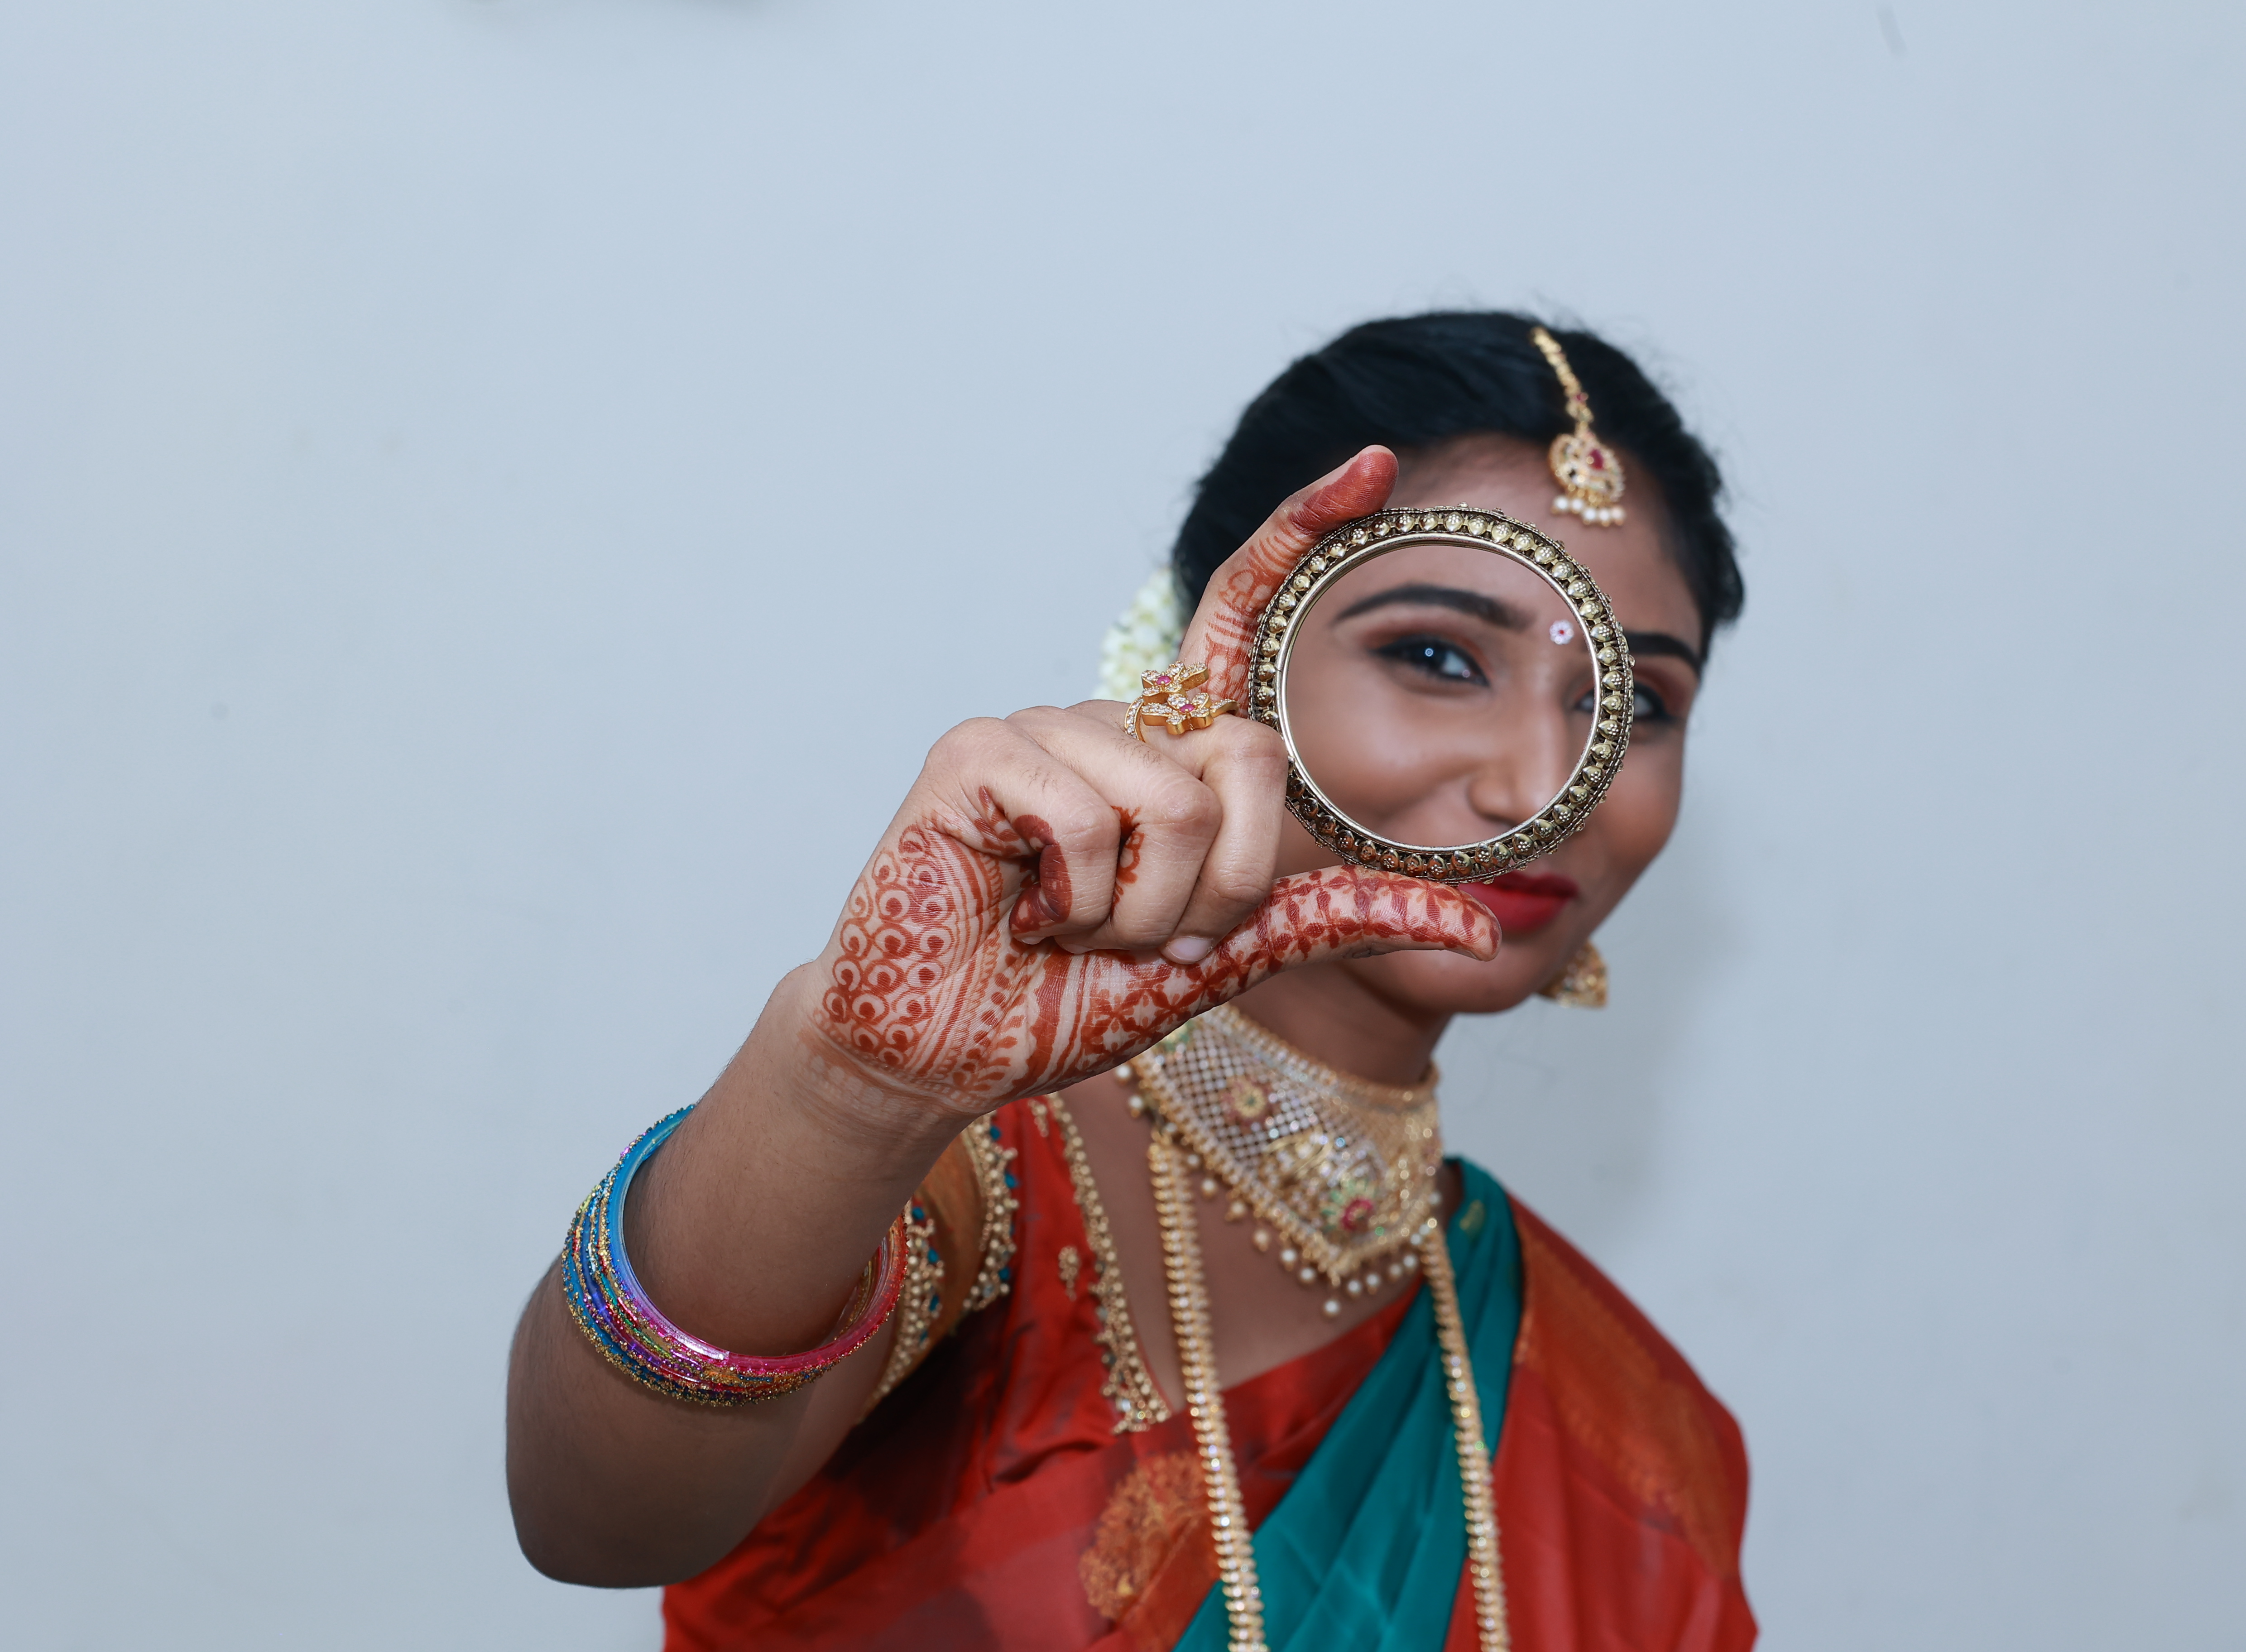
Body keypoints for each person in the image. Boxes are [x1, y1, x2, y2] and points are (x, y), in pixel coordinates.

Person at [506, 311, 1756, 1651]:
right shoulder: (985, 1189)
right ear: (1220, 664)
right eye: (1438, 658)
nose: (1538, 785)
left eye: (1637, 709)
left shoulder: (1631, 1431)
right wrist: (851, 1092)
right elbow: (595, 1522)